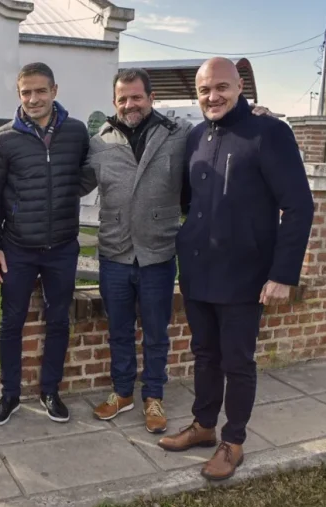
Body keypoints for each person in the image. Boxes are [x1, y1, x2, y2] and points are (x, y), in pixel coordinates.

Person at [157, 57, 314, 481]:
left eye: (221, 87)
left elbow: (299, 206)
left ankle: (234, 441)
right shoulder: (194, 137)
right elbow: (190, 200)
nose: (213, 96)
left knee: (237, 362)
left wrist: (282, 274)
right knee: (204, 354)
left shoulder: (270, 132)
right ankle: (204, 426)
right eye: (205, 90)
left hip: (246, 276)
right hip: (197, 271)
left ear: (240, 86)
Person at [80, 68, 193, 434]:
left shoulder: (177, 136)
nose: (130, 104)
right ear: (114, 102)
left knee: (157, 331)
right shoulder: (99, 143)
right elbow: (70, 181)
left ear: (150, 97)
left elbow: (215, 136)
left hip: (158, 253)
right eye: (123, 98)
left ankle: (154, 396)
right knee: (119, 330)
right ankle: (122, 392)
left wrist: (254, 115)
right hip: (114, 253)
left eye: (136, 97)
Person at [0, 62, 90, 426]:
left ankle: (50, 390)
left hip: (62, 246)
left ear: (54, 91)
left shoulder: (76, 133)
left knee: (59, 320)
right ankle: (10, 394)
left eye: (40, 91)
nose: (33, 98)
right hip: (18, 248)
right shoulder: (3, 139)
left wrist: (61, 196)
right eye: (26, 92)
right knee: (11, 322)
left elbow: (85, 174)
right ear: (19, 94)